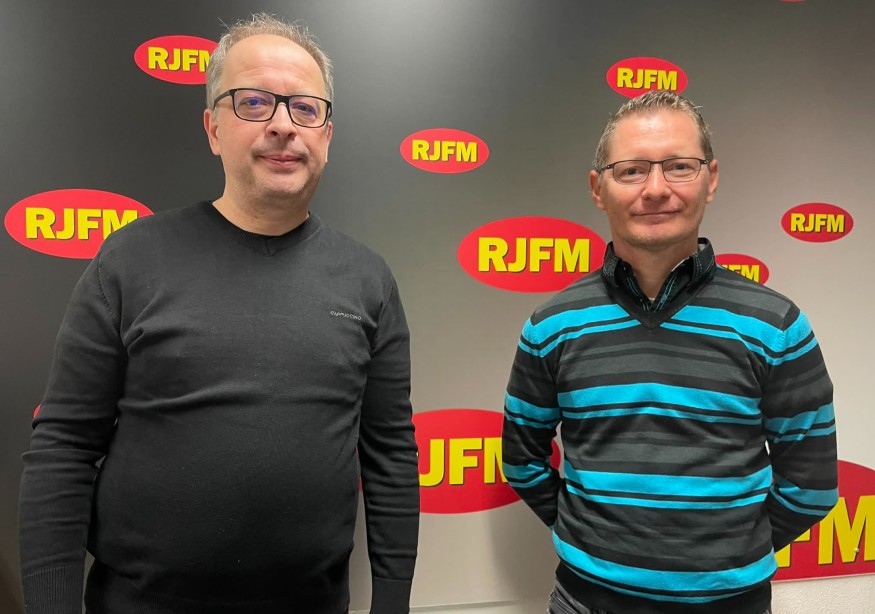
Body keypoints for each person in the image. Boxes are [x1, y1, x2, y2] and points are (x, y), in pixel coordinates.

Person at [19, 13, 419, 614]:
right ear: (212, 127)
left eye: (304, 108)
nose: (282, 125)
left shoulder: (369, 281)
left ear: (327, 135)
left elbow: (390, 458)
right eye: (253, 102)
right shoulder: (130, 260)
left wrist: (392, 602)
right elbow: (63, 448)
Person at [501, 91, 837, 614]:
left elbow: (811, 488)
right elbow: (522, 462)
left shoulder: (775, 326)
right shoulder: (553, 326)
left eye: (679, 166)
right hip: (586, 602)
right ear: (598, 188)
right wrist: (588, 538)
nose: (656, 189)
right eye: (631, 170)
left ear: (711, 178)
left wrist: (730, 556)